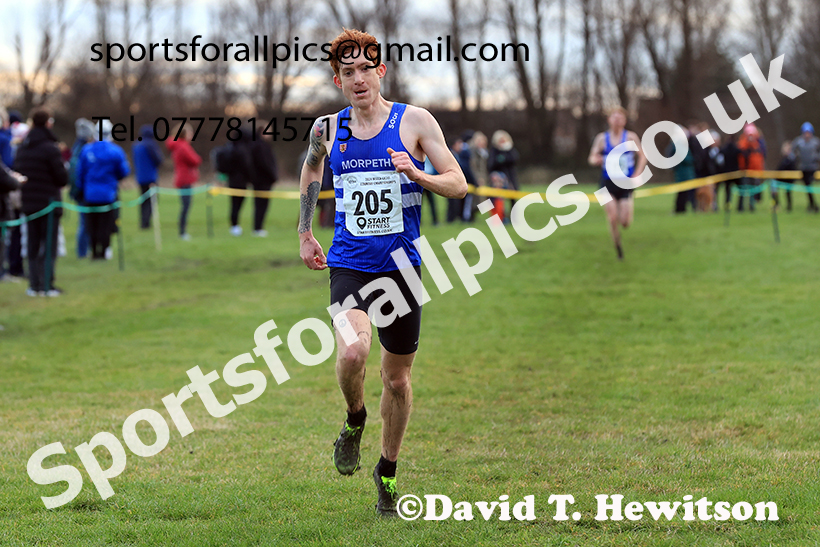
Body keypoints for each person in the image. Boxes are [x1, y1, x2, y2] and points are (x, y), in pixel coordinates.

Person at [297, 28, 467, 516]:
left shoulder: (414, 121)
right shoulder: (327, 129)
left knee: (396, 380)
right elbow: (311, 170)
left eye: (364, 69)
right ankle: (354, 419)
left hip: (402, 268)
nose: (358, 79)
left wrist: (417, 174)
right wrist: (306, 230)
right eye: (347, 72)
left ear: (381, 70)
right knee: (352, 351)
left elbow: (457, 184)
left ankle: (387, 471)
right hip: (349, 261)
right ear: (337, 79)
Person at [14, 108, 68, 295]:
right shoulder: (50, 148)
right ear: (47, 123)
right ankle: (46, 284)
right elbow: (62, 178)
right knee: (48, 245)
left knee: (32, 244)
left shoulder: (22, 147)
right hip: (48, 203)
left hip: (29, 203)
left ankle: (34, 284)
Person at [588, 106, 647, 260]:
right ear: (609, 120)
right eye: (614, 117)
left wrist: (637, 173)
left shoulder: (630, 137)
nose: (617, 120)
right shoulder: (602, 138)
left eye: (620, 117)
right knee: (612, 218)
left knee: (625, 222)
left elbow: (642, 156)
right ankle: (618, 248)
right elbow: (591, 157)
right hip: (606, 183)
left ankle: (627, 209)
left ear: (624, 120)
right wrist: (597, 159)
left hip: (625, 183)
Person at [76, 120, 130, 260]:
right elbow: (123, 171)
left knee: (91, 225)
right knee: (105, 225)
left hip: (90, 194)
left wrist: (81, 189)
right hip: (108, 194)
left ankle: (94, 252)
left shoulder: (87, 150)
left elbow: (80, 173)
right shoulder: (115, 151)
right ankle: (103, 251)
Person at [166, 125, 201, 240]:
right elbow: (195, 160)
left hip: (182, 178)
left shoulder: (178, 146)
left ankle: (183, 231)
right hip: (184, 179)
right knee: (185, 206)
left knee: (185, 205)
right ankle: (182, 232)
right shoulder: (182, 146)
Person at [68, 119, 96, 258]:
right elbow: (77, 173)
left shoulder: (76, 148)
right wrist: (80, 190)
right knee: (85, 223)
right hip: (83, 192)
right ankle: (82, 252)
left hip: (82, 191)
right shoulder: (83, 150)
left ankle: (86, 250)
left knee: (86, 222)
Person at [132, 125, 164, 229]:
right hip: (150, 177)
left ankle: (143, 222)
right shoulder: (150, 144)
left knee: (143, 200)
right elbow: (158, 159)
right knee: (152, 200)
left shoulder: (136, 144)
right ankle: (146, 223)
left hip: (140, 177)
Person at [488, 130, 519, 218]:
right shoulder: (494, 150)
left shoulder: (510, 149)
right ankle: (500, 216)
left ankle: (513, 216)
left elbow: (514, 159)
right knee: (497, 199)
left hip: (511, 177)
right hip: (499, 179)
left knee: (513, 197)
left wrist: (503, 158)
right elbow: (491, 164)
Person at [791, 122, 820, 213]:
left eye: (809, 132)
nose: (807, 134)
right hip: (803, 167)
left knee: (811, 186)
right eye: (805, 132)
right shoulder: (798, 141)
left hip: (813, 167)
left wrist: (816, 157)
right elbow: (792, 151)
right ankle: (812, 204)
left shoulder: (816, 142)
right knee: (807, 187)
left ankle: (814, 205)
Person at [737, 123, 766, 212]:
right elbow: (741, 156)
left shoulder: (758, 143)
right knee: (744, 189)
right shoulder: (743, 143)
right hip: (745, 171)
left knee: (753, 190)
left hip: (755, 171)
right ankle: (741, 207)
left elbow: (761, 156)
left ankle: (751, 206)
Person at [773, 141, 797, 210]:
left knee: (788, 193)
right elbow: (779, 169)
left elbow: (792, 169)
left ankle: (789, 207)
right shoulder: (784, 158)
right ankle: (776, 204)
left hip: (789, 179)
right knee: (774, 186)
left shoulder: (791, 158)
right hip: (782, 178)